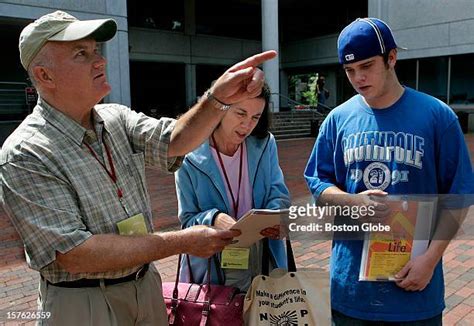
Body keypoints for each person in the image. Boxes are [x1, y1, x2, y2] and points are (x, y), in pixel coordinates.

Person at [0, 10, 277, 326]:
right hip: (83, 301)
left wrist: (218, 100)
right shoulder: (26, 152)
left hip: (144, 287)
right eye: (81, 54)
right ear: (45, 75)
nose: (100, 61)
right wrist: (183, 241)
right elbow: (76, 253)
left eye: (95, 50)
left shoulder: (115, 119)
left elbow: (175, 140)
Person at [304, 18, 473, 324]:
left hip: (414, 289)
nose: (358, 78)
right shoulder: (338, 120)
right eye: (349, 70)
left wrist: (430, 262)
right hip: (350, 291)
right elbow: (318, 183)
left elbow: (458, 197)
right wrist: (354, 202)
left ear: (391, 58)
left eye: (367, 66)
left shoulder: (437, 116)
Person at [175, 83, 290, 291]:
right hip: (213, 268)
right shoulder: (188, 154)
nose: (247, 125)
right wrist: (215, 218)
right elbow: (187, 221)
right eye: (241, 114)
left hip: (263, 257)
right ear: (221, 109)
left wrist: (275, 215)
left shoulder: (265, 143)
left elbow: (278, 193)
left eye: (255, 117)